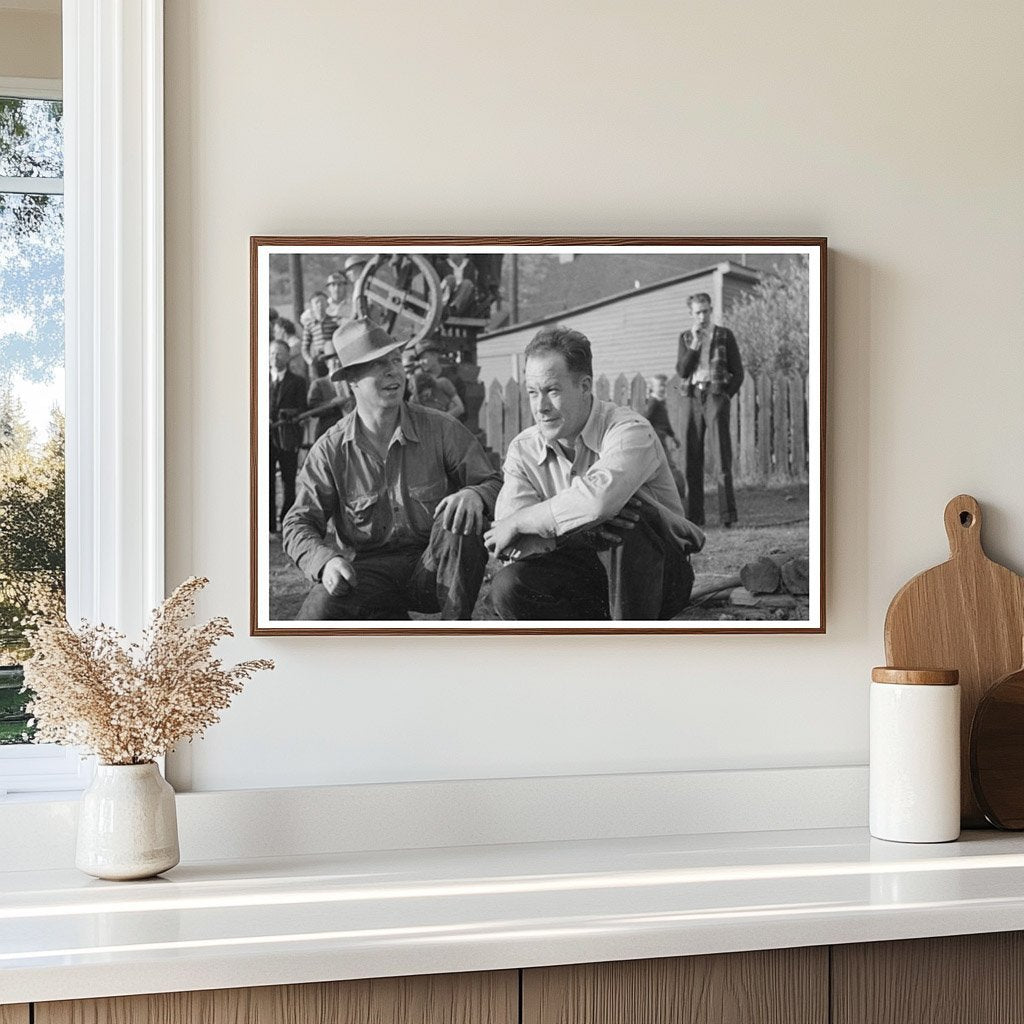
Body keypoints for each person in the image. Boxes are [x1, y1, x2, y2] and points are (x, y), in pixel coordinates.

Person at [283, 318, 502, 621]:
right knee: (317, 613)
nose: (393, 371)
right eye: (377, 364)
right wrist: (326, 562)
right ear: (351, 380)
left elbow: (493, 482)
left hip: (436, 566)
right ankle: (386, 618)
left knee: (460, 519)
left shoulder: (441, 428)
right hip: (369, 573)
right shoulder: (331, 449)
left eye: (396, 360)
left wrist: (475, 494)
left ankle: (455, 640)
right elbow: (297, 523)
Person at [484, 326, 704, 621]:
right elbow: (512, 543)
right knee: (508, 586)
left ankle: (627, 650)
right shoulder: (523, 449)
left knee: (625, 517)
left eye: (552, 391)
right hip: (581, 577)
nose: (541, 407)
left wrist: (524, 521)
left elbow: (598, 502)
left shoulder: (629, 430)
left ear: (585, 386)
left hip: (658, 576)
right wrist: (580, 530)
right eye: (533, 393)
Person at [675, 292, 744, 527]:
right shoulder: (685, 337)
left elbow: (738, 372)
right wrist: (695, 344)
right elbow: (683, 371)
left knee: (721, 456)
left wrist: (724, 396)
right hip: (691, 397)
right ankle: (694, 517)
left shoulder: (725, 335)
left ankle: (728, 517)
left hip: (715, 397)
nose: (702, 316)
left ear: (711, 310)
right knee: (691, 460)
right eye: (697, 312)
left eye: (705, 311)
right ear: (691, 314)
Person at [269, 338, 308, 532]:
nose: (275, 358)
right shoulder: (258, 379)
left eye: (279, 354)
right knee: (266, 480)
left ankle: (287, 522)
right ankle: (268, 525)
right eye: (272, 354)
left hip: (288, 438)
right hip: (266, 439)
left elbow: (302, 409)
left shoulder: (298, 382)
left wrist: (287, 414)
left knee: (288, 480)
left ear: (287, 357)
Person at [644, 373, 685, 498]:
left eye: (664, 386)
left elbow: (665, 422)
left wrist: (673, 435)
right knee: (669, 466)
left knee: (666, 466)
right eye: (660, 386)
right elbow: (645, 419)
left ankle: (673, 492)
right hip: (656, 440)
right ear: (652, 388)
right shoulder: (653, 403)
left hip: (661, 438)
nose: (662, 389)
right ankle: (678, 492)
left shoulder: (660, 402)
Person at [411, 340, 465, 420]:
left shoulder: (454, 379)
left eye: (424, 358)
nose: (421, 362)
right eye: (419, 359)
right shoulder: (419, 381)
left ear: (435, 355)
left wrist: (440, 420)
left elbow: (462, 410)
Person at [300, 291, 339, 369]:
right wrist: (310, 361)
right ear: (312, 307)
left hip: (333, 358)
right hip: (318, 359)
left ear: (327, 304)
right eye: (317, 303)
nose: (320, 305)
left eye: (322, 301)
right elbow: (304, 347)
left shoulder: (335, 322)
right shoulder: (309, 325)